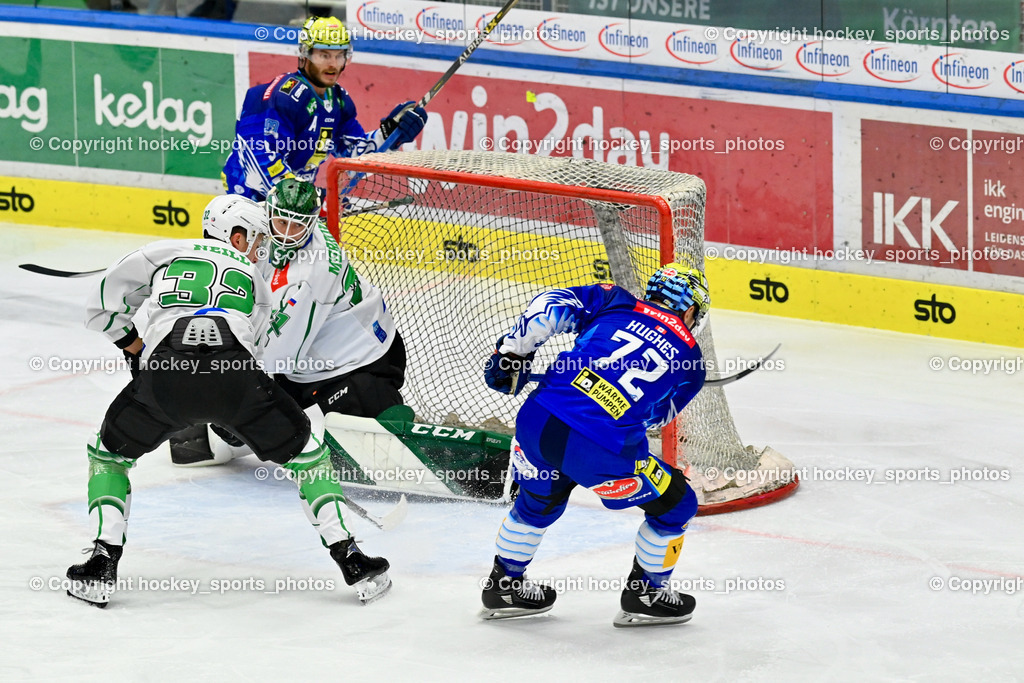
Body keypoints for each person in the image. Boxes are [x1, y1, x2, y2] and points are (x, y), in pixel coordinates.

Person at [67, 195, 392, 608]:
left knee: (108, 456)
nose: (261, 250)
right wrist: (237, 411)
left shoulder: (161, 252)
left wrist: (137, 349)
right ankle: (353, 559)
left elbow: (101, 310)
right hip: (238, 381)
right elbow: (257, 348)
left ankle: (101, 563)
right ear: (236, 236)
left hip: (165, 377)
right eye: (256, 240)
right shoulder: (256, 280)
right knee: (309, 457)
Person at [479, 263, 711, 627]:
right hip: (601, 450)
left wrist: (513, 355)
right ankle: (646, 595)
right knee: (677, 504)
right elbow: (655, 417)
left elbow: (549, 305)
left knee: (536, 502)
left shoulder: (615, 300)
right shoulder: (693, 363)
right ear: (692, 310)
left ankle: (504, 587)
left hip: (538, 420)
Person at [178, 179, 407, 466]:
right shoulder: (263, 220)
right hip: (315, 353)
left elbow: (275, 359)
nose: (286, 234)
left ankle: (390, 424)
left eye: (296, 225)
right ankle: (243, 435)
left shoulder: (308, 277)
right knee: (231, 422)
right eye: (281, 223)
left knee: (369, 455)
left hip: (357, 362)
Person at [222, 15, 427, 201]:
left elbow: (354, 157)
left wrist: (390, 135)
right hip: (250, 202)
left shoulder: (337, 101)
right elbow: (260, 163)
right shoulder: (284, 97)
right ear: (305, 54)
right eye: (324, 55)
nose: (333, 64)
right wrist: (311, 199)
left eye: (339, 55)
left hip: (295, 205)